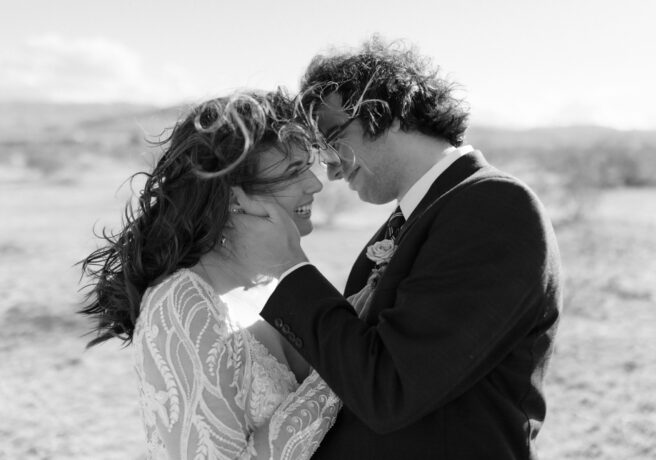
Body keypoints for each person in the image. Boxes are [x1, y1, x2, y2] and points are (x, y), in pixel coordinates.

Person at [228, 37, 562, 459]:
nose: (330, 170)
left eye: (332, 139)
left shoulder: (496, 207)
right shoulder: (419, 215)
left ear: (383, 113)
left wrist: (289, 265)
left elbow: (390, 390)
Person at [81, 90, 342, 459]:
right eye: (292, 172)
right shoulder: (183, 302)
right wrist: (343, 377)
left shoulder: (275, 279)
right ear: (235, 196)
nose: (315, 184)